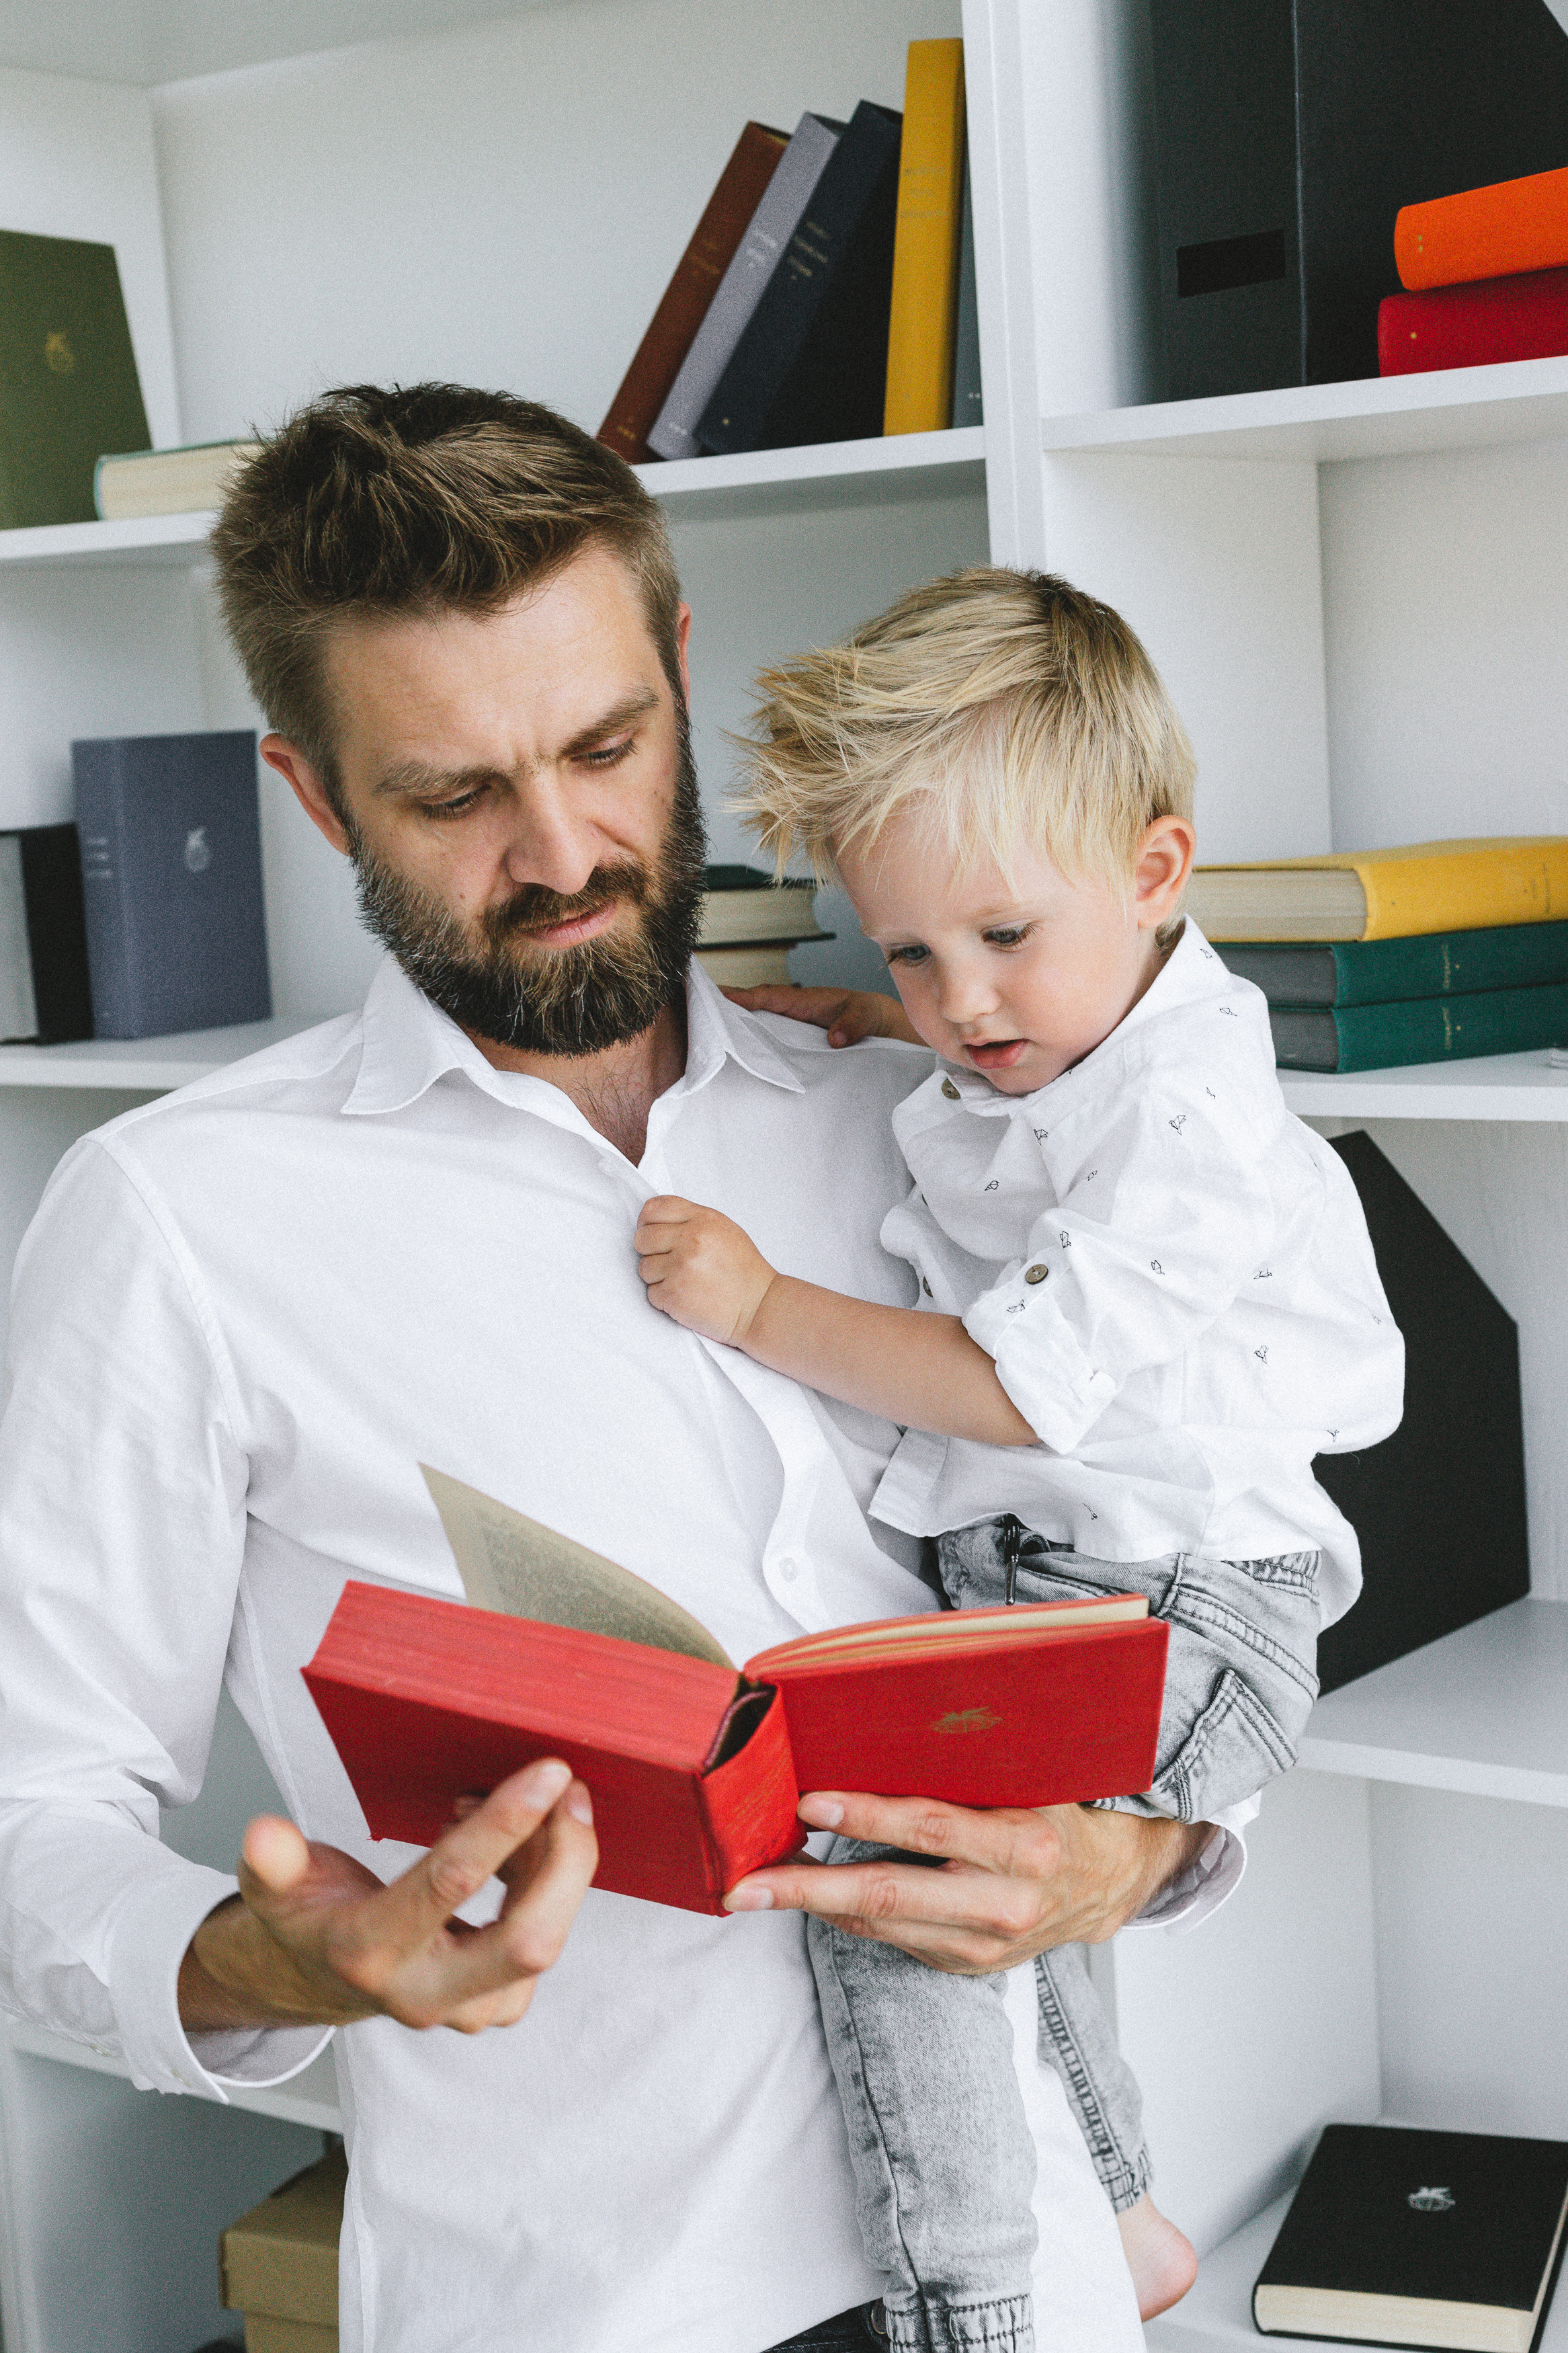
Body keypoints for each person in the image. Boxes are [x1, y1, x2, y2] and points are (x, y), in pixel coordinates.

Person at [0, 390, 1227, 2353]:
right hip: (592, 2305)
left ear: (677, 666)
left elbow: (1187, 1517)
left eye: (602, 745)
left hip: (1047, 2278)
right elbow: (25, 1809)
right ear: (315, 797)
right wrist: (278, 1956)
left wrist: (1136, 1851)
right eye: (449, 794)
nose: (560, 849)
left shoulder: (925, 1108)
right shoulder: (175, 1220)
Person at [634, 568, 1406, 2353]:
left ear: (1155, 875)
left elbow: (1010, 1384)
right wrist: (883, 1017)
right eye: (908, 947)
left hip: (1199, 1604)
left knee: (905, 1891)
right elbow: (1008, 1046)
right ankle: (1122, 2206)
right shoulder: (1069, 1021)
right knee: (1014, 1902)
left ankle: (967, 2299)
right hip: (1088, 1580)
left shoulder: (1195, 1121)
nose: (963, 998)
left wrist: (756, 1303)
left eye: (997, 939)